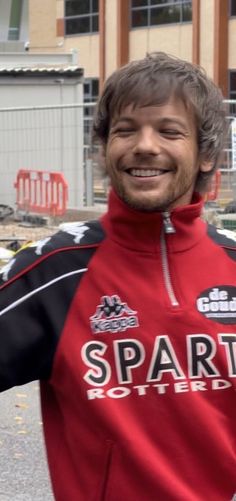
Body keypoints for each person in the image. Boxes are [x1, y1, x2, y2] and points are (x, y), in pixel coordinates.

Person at [0, 52, 235, 501]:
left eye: (169, 130)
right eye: (126, 130)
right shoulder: (56, 269)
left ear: (205, 156)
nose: (144, 145)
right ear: (105, 150)